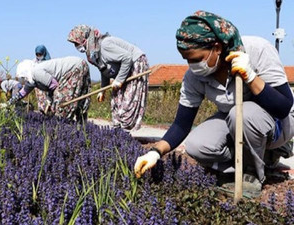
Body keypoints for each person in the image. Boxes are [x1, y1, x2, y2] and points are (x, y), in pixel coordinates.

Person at [134, 11, 294, 197]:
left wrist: (251, 76)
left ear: (217, 48)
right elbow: (181, 124)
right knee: (197, 145)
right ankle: (261, 159)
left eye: (196, 59)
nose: (191, 65)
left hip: (277, 123)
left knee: (242, 114)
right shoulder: (194, 77)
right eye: (186, 60)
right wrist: (155, 152)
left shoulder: (257, 50)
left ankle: (251, 174)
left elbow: (283, 106)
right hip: (234, 120)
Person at [67, 25, 149, 130]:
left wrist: (119, 80)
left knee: (127, 102)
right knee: (116, 101)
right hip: (123, 69)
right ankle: (118, 131)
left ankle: (124, 132)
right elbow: (104, 69)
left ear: (84, 39)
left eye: (76, 43)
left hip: (135, 63)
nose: (76, 46)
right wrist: (103, 90)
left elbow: (127, 57)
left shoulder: (105, 45)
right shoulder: (93, 53)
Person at [0, 56, 91, 122]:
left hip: (74, 68)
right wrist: (8, 104)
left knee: (62, 105)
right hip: (79, 65)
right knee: (77, 100)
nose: (23, 79)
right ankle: (81, 127)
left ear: (26, 72)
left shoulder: (36, 72)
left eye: (23, 76)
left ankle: (65, 127)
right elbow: (22, 93)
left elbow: (55, 86)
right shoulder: (32, 79)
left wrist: (52, 102)